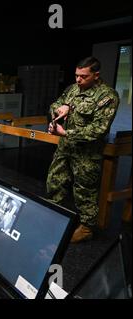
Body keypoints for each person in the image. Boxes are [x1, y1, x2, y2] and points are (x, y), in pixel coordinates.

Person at [46, 56, 119, 243]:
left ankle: (86, 228)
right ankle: (51, 217)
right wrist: (60, 110)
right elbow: (55, 104)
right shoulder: (72, 89)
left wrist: (65, 133)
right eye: (77, 75)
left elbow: (98, 129)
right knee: (55, 182)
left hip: (87, 154)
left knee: (85, 191)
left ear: (96, 75)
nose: (78, 80)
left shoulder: (107, 96)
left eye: (83, 76)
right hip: (65, 149)